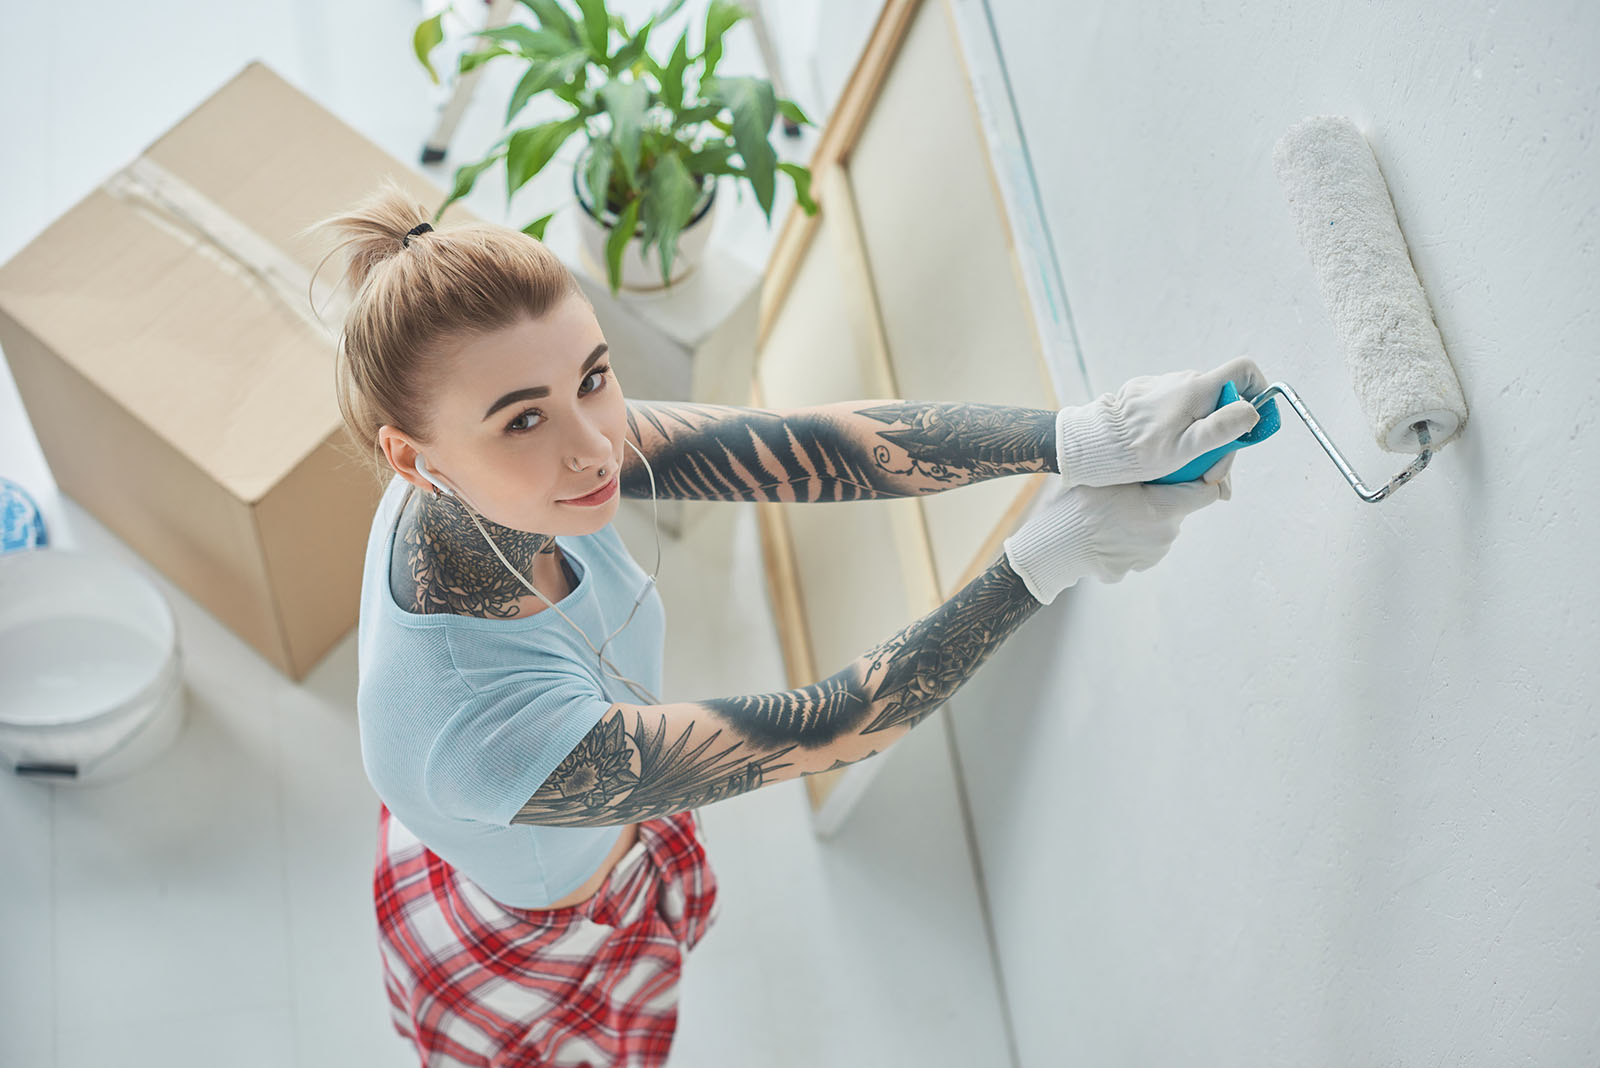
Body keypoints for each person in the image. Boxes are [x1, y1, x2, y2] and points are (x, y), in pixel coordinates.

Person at [303, 176, 1261, 1068]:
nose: (596, 448)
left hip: (543, 833)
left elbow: (790, 450)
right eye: (523, 419)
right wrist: (1048, 557)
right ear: (410, 458)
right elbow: (819, 726)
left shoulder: (493, 481)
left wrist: (1074, 438)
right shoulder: (470, 730)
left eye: (594, 377)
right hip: (533, 938)